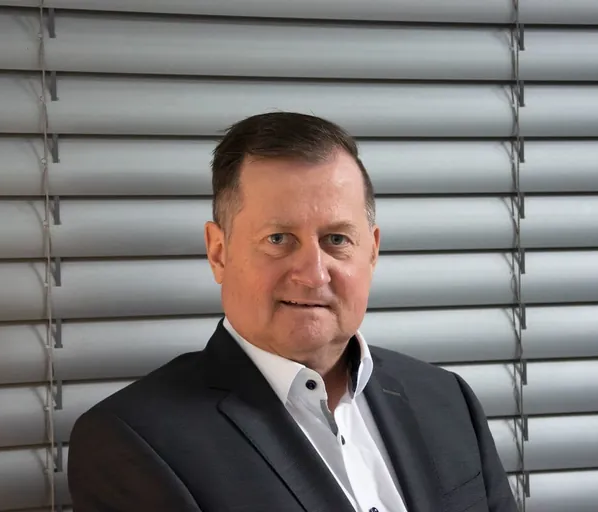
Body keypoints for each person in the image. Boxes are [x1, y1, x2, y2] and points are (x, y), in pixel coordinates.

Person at [67, 112, 517, 512]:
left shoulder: (447, 399)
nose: (313, 274)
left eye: (337, 239)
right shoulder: (131, 442)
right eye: (279, 239)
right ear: (219, 252)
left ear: (372, 251)